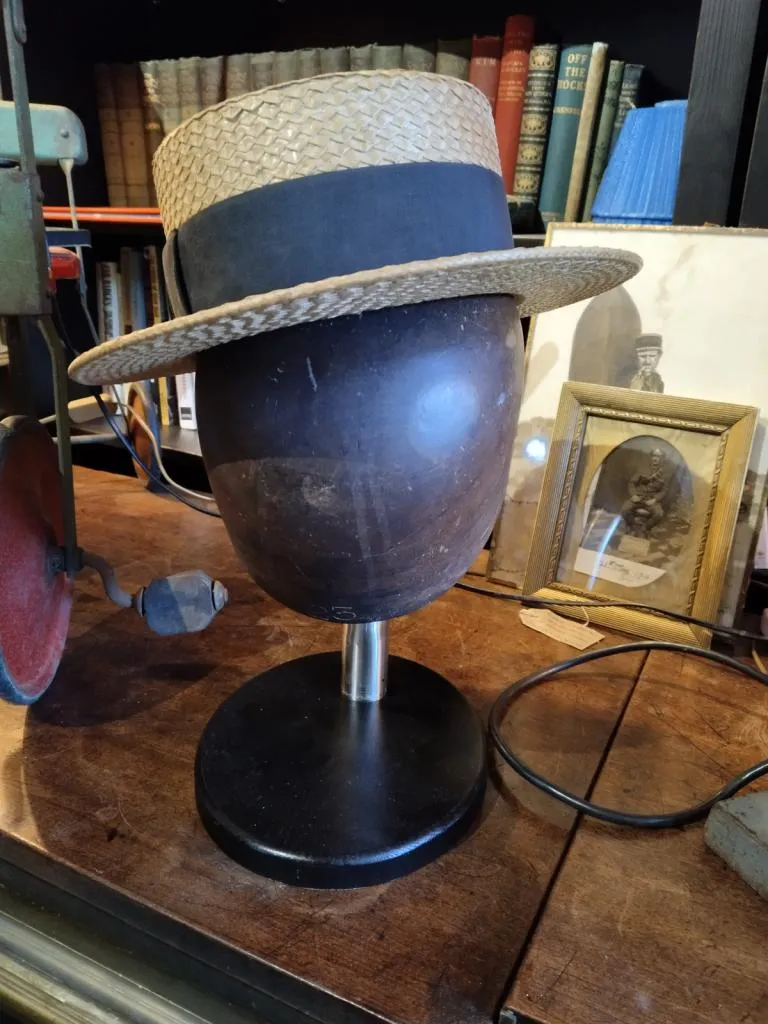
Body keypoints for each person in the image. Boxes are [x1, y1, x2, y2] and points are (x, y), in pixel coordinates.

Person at [620, 448, 668, 538]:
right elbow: (632, 483)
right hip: (638, 497)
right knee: (624, 509)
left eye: (658, 456)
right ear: (651, 457)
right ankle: (632, 525)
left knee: (659, 514)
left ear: (662, 459)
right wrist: (633, 495)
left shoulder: (665, 474)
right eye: (654, 455)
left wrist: (655, 499)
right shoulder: (643, 469)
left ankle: (645, 528)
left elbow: (664, 490)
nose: (655, 458)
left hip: (651, 500)